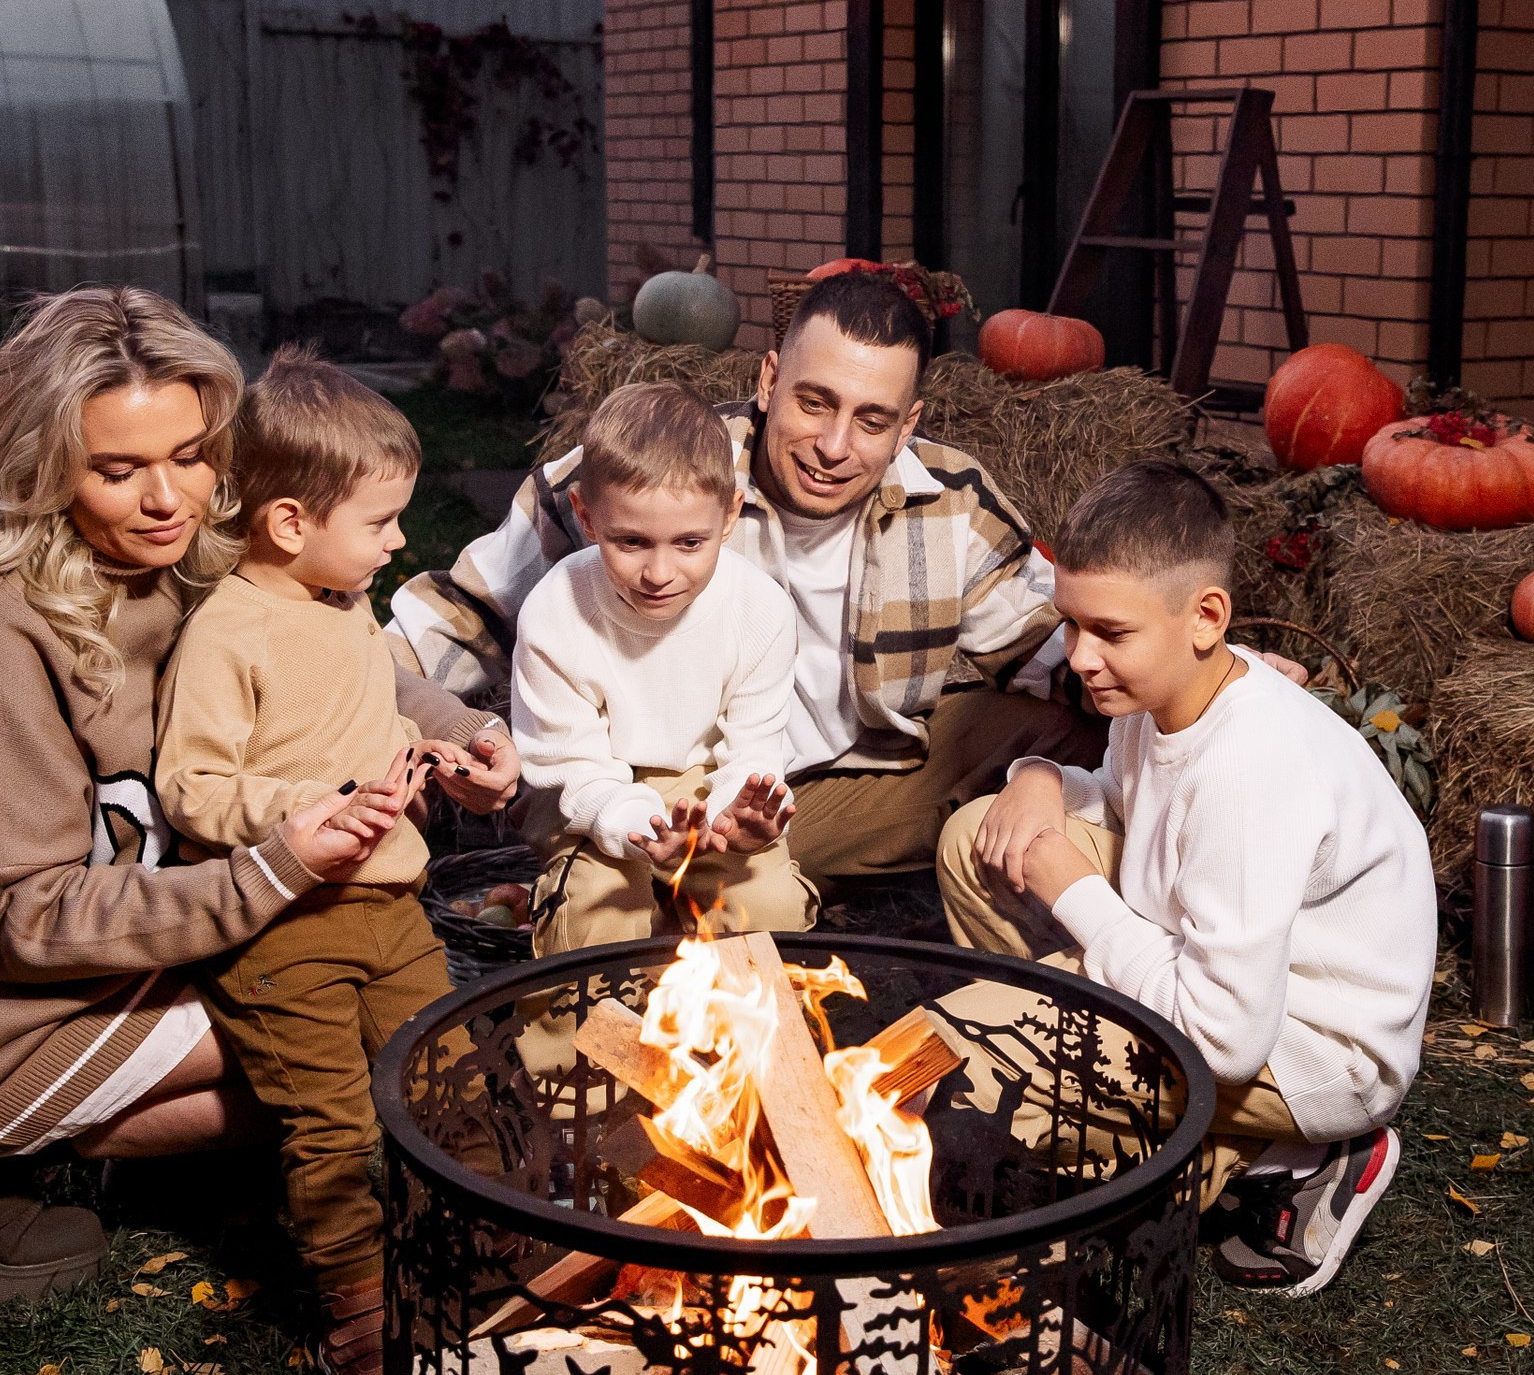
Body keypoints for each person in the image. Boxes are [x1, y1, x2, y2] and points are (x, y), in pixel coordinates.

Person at [0, 289, 518, 1308]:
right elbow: (16, 919)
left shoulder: (195, 555)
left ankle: (137, 1143)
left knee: (384, 1020)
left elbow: (351, 663)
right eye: (118, 470)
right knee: (333, 1045)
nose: (171, 498)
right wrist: (267, 872)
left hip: (121, 937)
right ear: (41, 462)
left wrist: (461, 732)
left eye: (194, 455)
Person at [391, 271, 1106, 879]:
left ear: (908, 424)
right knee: (641, 862)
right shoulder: (658, 472)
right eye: (814, 401)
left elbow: (1072, 652)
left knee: (1056, 727)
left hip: (846, 791)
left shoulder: (951, 506)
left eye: (871, 420)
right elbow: (449, 616)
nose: (833, 446)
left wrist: (1200, 701)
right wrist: (371, 705)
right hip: (664, 790)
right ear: (769, 379)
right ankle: (678, 876)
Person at [936, 460, 1436, 1299]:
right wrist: (1039, 776)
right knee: (975, 841)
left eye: (1110, 632)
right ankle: (1139, 1119)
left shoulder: (1252, 768)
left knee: (983, 1068)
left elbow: (1229, 1035)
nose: (1081, 658)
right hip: (1208, 964)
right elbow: (1132, 802)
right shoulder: (1166, 691)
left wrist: (1075, 896)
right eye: (1069, 624)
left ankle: (1304, 1151)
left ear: (1206, 616)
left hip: (1310, 1041)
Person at [153, 349, 517, 1375]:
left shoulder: (341, 600)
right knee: (335, 1125)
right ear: (286, 524)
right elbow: (193, 789)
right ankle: (358, 1306)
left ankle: (485, 1259)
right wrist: (300, 818)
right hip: (287, 929)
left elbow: (371, 706)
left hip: (393, 910)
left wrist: (437, 752)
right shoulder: (228, 634)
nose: (401, 539)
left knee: (449, 1076)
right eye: (380, 521)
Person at [507, 382, 808, 953]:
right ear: (586, 517)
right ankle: (580, 1040)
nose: (659, 573)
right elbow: (567, 763)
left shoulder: (761, 609)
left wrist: (736, 816)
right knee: (596, 912)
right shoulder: (555, 611)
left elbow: (753, 745)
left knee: (767, 906)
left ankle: (742, 1037)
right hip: (585, 788)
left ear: (730, 516)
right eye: (632, 542)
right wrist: (633, 825)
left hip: (701, 783)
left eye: (689, 542)